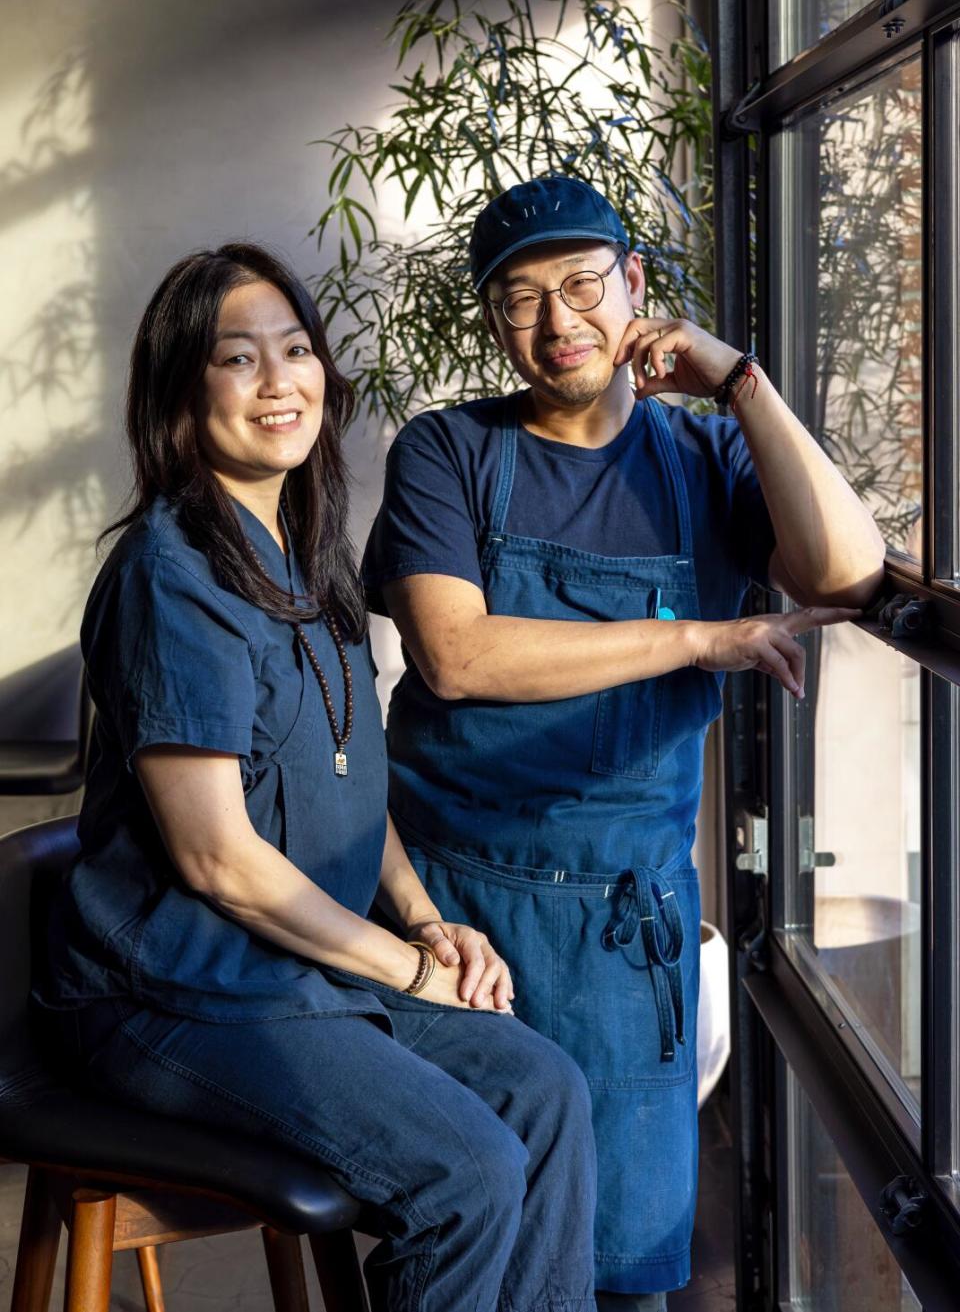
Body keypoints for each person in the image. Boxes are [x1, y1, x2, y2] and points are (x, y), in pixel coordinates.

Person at [33, 242, 599, 1312]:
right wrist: (403, 969)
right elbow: (218, 861)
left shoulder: (302, 549)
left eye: (296, 350)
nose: (280, 380)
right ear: (178, 394)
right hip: (176, 993)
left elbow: (345, 766)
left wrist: (429, 922)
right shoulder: (170, 574)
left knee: (547, 1089)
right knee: (465, 1168)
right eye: (238, 359)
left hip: (296, 971)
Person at [362, 176, 887, 1310]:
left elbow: (847, 571)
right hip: (456, 917)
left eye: (584, 285)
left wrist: (740, 380)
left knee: (619, 1264)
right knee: (465, 1241)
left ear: (636, 286)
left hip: (620, 934)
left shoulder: (703, 461)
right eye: (521, 299)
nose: (559, 323)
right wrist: (701, 634)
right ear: (493, 323)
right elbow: (459, 656)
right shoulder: (445, 453)